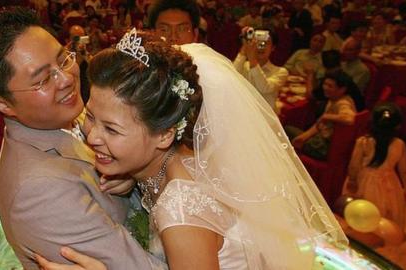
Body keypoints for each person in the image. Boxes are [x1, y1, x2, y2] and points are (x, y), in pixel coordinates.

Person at [36, 28, 346, 270]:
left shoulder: (181, 211)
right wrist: (134, 177)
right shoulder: (188, 157)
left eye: (112, 129)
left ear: (165, 134)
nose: (92, 137)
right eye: (91, 116)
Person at [0, 7, 164, 270]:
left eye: (64, 59)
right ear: (3, 105)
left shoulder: (69, 115)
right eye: (44, 79)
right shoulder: (38, 190)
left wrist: (133, 176)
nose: (67, 78)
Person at [343, 102, 406, 228]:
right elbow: (405, 170)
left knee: (362, 211)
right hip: (389, 183)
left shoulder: (363, 142)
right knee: (385, 211)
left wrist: (352, 180)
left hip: (364, 181)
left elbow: (354, 165)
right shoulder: (400, 144)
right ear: (398, 126)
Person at [287, 70, 357, 160]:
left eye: (330, 86)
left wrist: (326, 116)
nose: (325, 88)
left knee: (286, 130)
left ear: (342, 89)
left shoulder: (343, 103)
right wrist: (303, 137)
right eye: (325, 84)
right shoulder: (335, 98)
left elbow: (350, 118)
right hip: (321, 139)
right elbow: (319, 125)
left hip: (323, 147)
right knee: (292, 131)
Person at [233, 28, 288, 112]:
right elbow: (230, 77)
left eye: (265, 43)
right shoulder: (243, 65)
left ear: (273, 47)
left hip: (266, 119)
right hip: (243, 113)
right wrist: (244, 48)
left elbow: (264, 88)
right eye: (257, 42)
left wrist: (252, 58)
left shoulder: (280, 72)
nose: (261, 46)